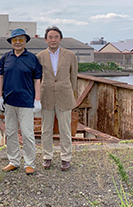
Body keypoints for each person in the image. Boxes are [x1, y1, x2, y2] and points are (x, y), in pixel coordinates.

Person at [0, 28, 42, 175]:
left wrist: (37, 100)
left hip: (26, 101)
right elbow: (0, 77)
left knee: (28, 134)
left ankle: (29, 163)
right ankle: (14, 161)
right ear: (11, 42)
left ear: (25, 41)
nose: (17, 42)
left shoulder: (32, 58)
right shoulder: (6, 57)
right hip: (9, 101)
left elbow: (37, 80)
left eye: (20, 39)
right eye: (15, 40)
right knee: (10, 133)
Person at [36, 27, 78, 171]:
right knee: (46, 130)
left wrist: (68, 91)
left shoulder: (70, 55)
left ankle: (66, 158)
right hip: (46, 96)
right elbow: (37, 78)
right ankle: (47, 157)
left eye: (55, 37)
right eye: (50, 37)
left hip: (64, 96)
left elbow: (74, 77)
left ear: (60, 39)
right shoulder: (39, 56)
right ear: (46, 39)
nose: (53, 40)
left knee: (65, 129)